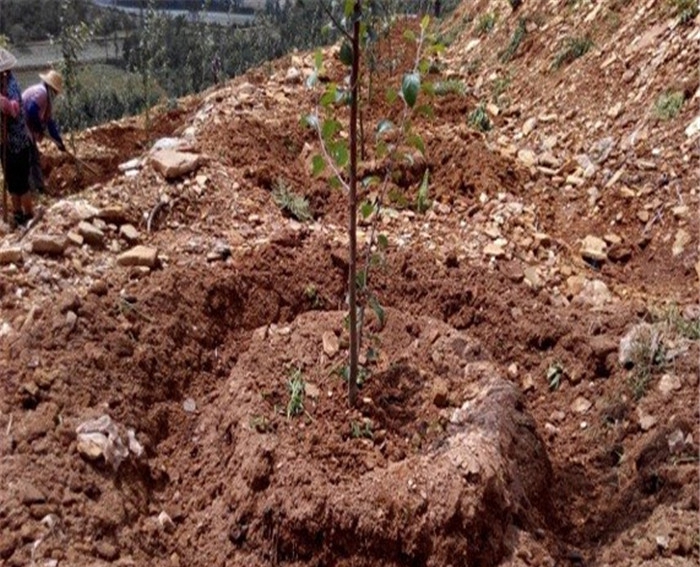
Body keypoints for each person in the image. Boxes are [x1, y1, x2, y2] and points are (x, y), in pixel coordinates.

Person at [0, 47, 34, 227]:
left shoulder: (11, 85)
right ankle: (17, 214)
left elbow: (13, 110)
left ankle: (29, 216)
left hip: (18, 144)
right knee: (12, 182)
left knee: (21, 183)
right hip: (5, 143)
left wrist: (3, 102)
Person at [22, 69, 66, 193]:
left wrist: (59, 142)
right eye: (56, 92)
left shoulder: (46, 99)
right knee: (32, 157)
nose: (56, 95)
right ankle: (35, 188)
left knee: (33, 157)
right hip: (22, 127)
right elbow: (31, 111)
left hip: (26, 127)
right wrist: (39, 128)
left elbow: (50, 123)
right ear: (51, 88)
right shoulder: (42, 93)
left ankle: (36, 187)